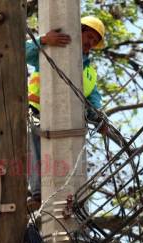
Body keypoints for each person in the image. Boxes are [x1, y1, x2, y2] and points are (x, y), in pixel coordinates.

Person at [26, 16, 105, 209]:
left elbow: (93, 103)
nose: (90, 43)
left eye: (94, 42)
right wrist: (44, 40)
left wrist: (101, 122)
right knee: (34, 139)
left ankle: (71, 197)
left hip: (68, 123)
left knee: (71, 155)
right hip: (37, 111)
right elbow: (19, 51)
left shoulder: (89, 73)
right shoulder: (53, 49)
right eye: (89, 36)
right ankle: (37, 193)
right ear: (78, 31)